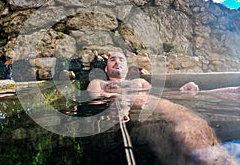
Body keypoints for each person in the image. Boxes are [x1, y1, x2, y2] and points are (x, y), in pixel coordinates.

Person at [87, 51, 237, 165]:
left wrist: (182, 91)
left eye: (121, 60)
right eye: (112, 59)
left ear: (126, 68)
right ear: (106, 69)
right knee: (186, 125)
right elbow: (94, 98)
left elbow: (160, 95)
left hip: (150, 103)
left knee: (230, 93)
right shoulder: (99, 82)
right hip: (127, 108)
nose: (117, 62)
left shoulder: (139, 82)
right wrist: (118, 99)